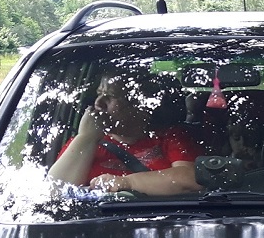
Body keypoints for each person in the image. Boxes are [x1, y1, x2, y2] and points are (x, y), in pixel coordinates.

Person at [48, 74, 202, 195]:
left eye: (110, 96)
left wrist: (126, 183)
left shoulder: (170, 137)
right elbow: (55, 192)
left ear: (139, 105)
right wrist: (86, 137)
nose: (98, 103)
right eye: (99, 94)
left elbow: (190, 179)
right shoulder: (84, 142)